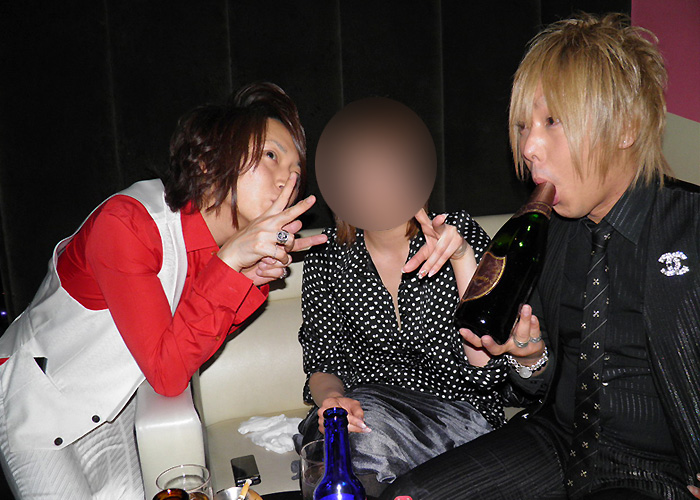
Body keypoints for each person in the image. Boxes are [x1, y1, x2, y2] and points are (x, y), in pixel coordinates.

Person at [379, 13, 700, 500]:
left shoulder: (690, 225)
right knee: (406, 496)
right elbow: (534, 383)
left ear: (626, 127)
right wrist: (529, 359)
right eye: (524, 126)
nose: (529, 146)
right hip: (556, 443)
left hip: (656, 473)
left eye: (553, 122)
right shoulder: (549, 233)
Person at [0, 82, 327, 500]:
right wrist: (231, 267)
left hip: (112, 404)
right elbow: (168, 373)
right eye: (271, 156)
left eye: (297, 171)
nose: (288, 179)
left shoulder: (222, 247)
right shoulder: (128, 224)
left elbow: (190, 349)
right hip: (36, 397)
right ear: (209, 162)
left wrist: (250, 277)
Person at [297, 98, 507, 497]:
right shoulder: (326, 256)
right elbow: (322, 362)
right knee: (344, 439)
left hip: (458, 417)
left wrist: (462, 258)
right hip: (368, 416)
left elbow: (490, 368)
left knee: (358, 448)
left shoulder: (456, 234)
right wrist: (334, 402)